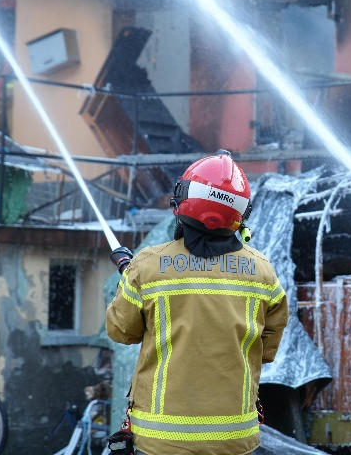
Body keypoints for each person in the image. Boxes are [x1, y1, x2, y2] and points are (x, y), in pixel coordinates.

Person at [106, 151, 288, 455]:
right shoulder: (262, 271)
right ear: (241, 213)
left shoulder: (147, 266)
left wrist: (129, 279)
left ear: (183, 200)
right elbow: (266, 350)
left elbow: (121, 331)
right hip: (235, 441)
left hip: (160, 441)